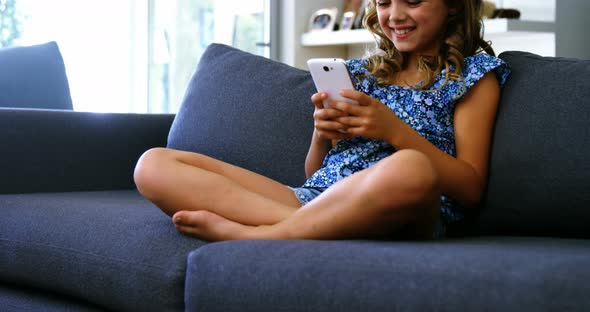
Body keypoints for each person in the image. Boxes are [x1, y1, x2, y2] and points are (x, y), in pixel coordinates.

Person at [133, 0, 510, 241]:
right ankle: (310, 226)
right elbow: (315, 174)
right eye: (384, 2)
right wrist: (321, 133)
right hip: (318, 198)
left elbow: (471, 187)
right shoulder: (364, 73)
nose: (395, 15)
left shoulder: (472, 75)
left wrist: (393, 130)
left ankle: (263, 237)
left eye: (412, 1)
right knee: (153, 164)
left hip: (402, 208)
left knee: (411, 167)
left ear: (455, 7)